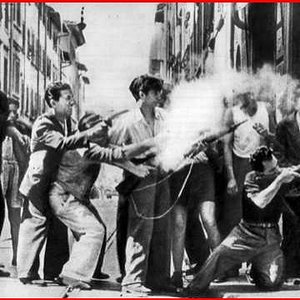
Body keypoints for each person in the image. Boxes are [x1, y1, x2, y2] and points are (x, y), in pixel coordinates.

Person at [47, 111, 156, 290]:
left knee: (100, 228)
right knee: (94, 231)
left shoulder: (86, 144)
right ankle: (72, 274)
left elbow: (113, 154)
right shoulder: (86, 149)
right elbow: (113, 156)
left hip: (74, 197)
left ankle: (92, 271)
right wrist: (137, 167)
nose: (106, 132)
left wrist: (134, 166)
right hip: (65, 198)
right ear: (92, 131)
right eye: (101, 129)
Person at [17, 82, 108, 284]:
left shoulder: (67, 123)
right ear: (53, 101)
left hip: (56, 183)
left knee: (57, 231)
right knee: (34, 226)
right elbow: (62, 143)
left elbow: (76, 138)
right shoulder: (43, 123)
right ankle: (25, 274)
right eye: (67, 98)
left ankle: (54, 273)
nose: (72, 102)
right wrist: (90, 134)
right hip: (38, 183)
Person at [186, 146, 299, 295]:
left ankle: (256, 271)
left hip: (271, 237)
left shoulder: (279, 174)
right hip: (245, 234)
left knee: (272, 283)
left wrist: (288, 174)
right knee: (218, 256)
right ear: (259, 173)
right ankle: (193, 288)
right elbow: (260, 201)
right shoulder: (251, 178)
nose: (277, 171)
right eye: (272, 171)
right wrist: (279, 180)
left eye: (277, 167)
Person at [109, 75, 172, 296]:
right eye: (155, 92)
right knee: (140, 230)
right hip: (139, 176)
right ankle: (133, 282)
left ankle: (159, 279)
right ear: (141, 95)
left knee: (162, 228)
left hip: (162, 173)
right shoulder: (126, 122)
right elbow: (109, 152)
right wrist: (134, 168)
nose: (160, 96)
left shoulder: (164, 116)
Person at [221, 92, 273, 278]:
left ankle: (256, 267)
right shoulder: (232, 113)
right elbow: (226, 146)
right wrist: (231, 177)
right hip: (238, 165)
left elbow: (273, 141)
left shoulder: (266, 109)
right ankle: (231, 265)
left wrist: (266, 135)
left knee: (258, 217)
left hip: (260, 168)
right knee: (234, 218)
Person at [170, 148, 221, 288]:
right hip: (178, 170)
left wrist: (205, 147)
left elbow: (215, 151)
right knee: (179, 224)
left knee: (209, 220)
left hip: (202, 170)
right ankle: (177, 274)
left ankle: (218, 268)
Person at [2, 98, 31, 267]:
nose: (12, 115)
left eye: (15, 112)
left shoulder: (21, 129)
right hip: (2, 169)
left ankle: (17, 256)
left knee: (15, 216)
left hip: (16, 171)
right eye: (9, 112)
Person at [276, 84, 300, 278]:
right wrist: (289, 169)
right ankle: (290, 271)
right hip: (292, 184)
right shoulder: (284, 125)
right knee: (292, 226)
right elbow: (279, 153)